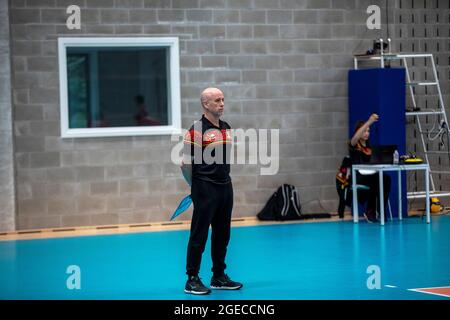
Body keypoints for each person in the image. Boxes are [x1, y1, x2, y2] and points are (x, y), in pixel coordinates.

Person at [180, 87, 243, 295]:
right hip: (205, 188)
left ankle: (218, 276)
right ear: (206, 104)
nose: (222, 103)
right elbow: (185, 164)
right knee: (199, 234)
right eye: (217, 100)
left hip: (225, 187)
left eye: (223, 99)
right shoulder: (196, 129)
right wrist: (196, 187)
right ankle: (192, 279)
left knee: (222, 234)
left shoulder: (226, 127)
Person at [349, 113, 391, 223]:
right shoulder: (353, 144)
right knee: (376, 180)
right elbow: (355, 137)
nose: (367, 133)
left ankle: (381, 209)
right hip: (358, 176)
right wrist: (369, 121)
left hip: (370, 176)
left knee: (386, 179)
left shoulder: (370, 148)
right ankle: (370, 210)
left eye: (368, 131)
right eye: (364, 131)